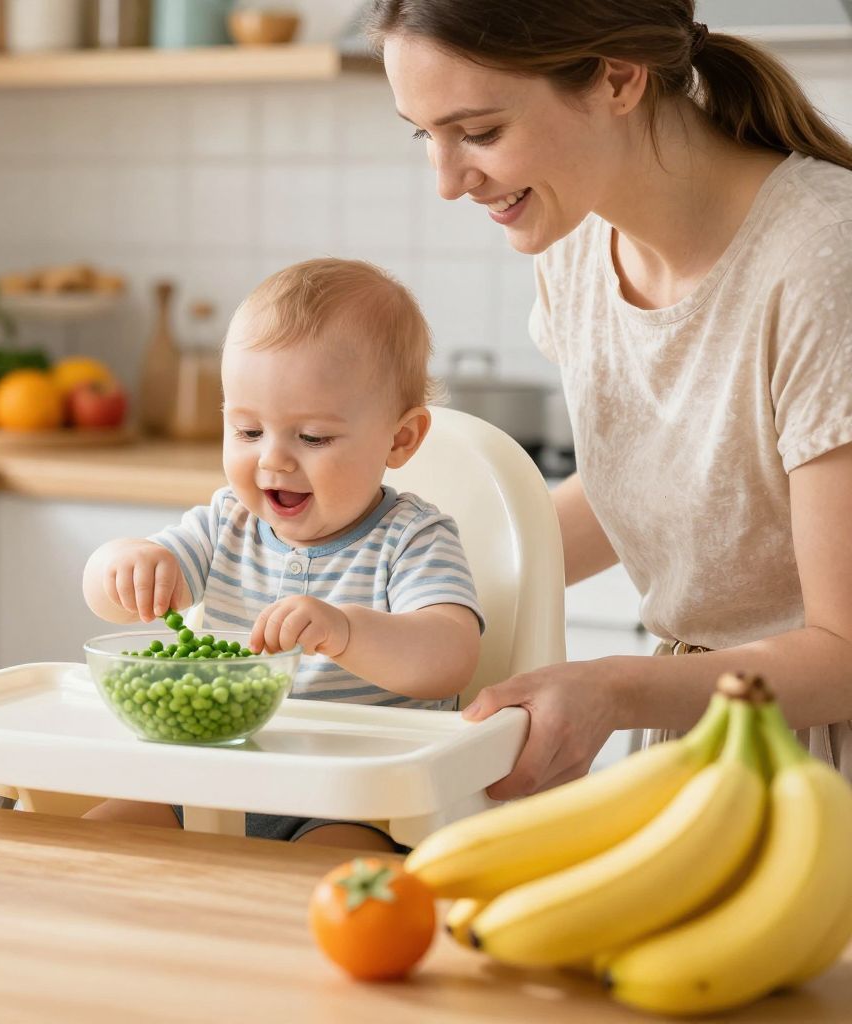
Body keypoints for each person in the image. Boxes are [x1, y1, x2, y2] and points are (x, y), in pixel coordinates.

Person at [372, 0, 852, 797]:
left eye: (481, 133)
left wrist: (615, 689)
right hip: (701, 748)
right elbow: (658, 487)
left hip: (821, 777)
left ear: (618, 79)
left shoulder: (821, 263)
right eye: (426, 135)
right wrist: (408, 607)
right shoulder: (576, 245)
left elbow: (843, 654)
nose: (450, 183)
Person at [80, 258, 484, 850]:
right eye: (247, 431)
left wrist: (345, 633)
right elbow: (107, 601)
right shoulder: (226, 524)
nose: (273, 460)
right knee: (86, 846)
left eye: (313, 437)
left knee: (321, 881)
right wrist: (124, 564)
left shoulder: (412, 537)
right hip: (210, 780)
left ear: (400, 439)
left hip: (355, 801)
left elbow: (450, 657)